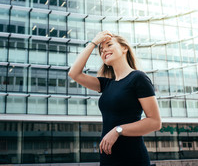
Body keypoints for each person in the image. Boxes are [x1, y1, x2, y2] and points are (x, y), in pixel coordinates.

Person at [68, 31, 162, 166]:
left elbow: (155, 122)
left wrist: (118, 130)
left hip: (132, 158)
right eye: (101, 50)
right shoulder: (106, 84)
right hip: (108, 158)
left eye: (109, 45)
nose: (104, 50)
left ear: (125, 48)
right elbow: (74, 73)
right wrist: (94, 42)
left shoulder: (138, 78)